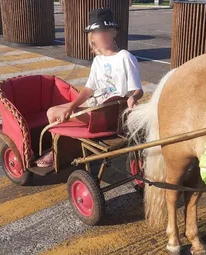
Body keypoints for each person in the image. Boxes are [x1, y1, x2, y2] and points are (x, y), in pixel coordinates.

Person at [36, 8, 143, 168]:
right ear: (92, 37)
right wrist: (72, 107)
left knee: (52, 113)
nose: (102, 35)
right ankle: (67, 148)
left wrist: (133, 97)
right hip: (96, 107)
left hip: (109, 113)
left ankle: (55, 151)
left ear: (114, 32)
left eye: (106, 30)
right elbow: (88, 90)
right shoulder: (98, 60)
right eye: (98, 32)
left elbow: (138, 90)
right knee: (61, 109)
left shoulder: (125, 57)